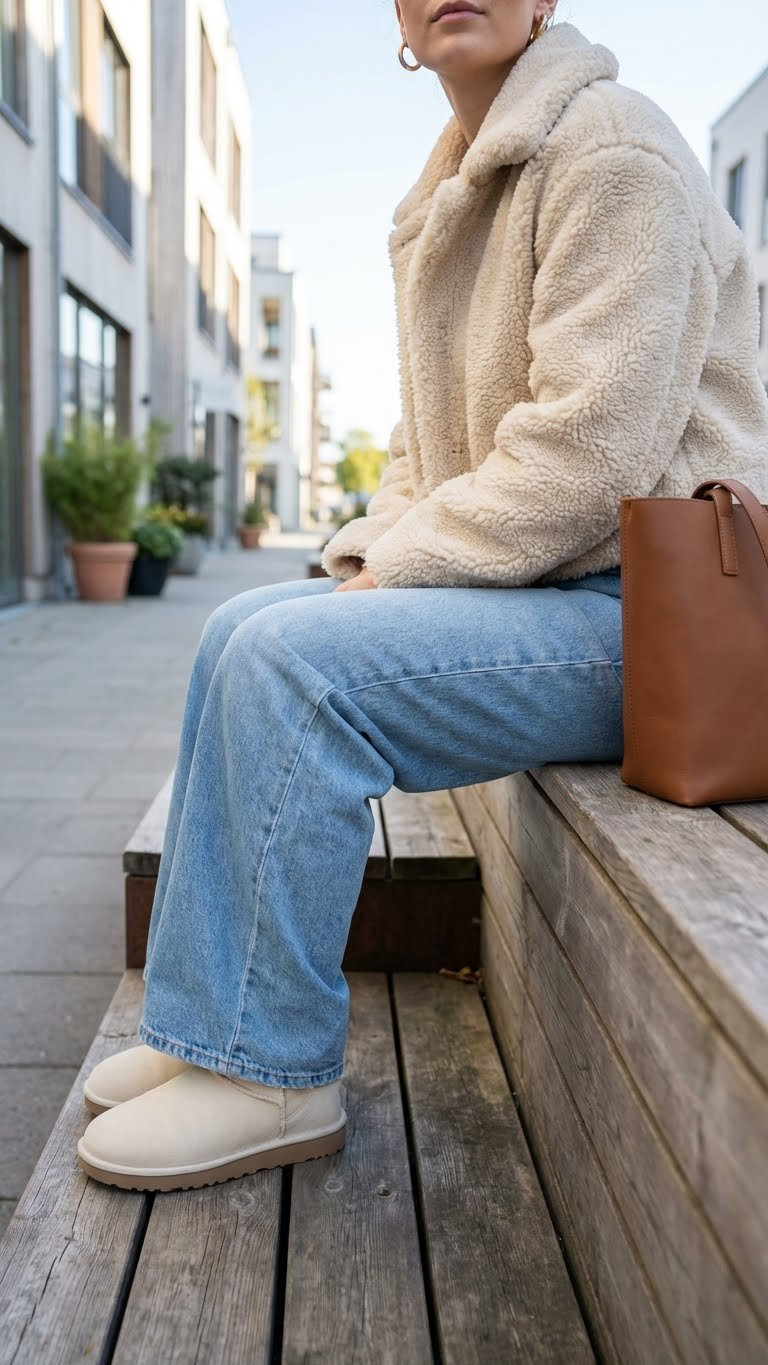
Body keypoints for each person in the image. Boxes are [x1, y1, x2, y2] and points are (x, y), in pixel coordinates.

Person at [77, 3, 768, 1192]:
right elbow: (423, 452)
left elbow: (588, 457)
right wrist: (362, 560)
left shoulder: (613, 149)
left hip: (651, 626)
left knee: (297, 668)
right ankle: (200, 1028)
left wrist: (395, 573)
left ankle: (269, 1071)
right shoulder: (448, 189)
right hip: (545, 592)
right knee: (247, 625)